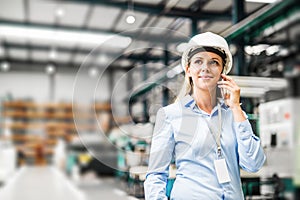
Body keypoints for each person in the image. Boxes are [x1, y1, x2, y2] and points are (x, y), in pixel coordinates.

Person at [144, 32, 266, 199]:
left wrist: (236, 108)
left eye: (214, 62)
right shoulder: (170, 115)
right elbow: (155, 176)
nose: (205, 68)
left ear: (222, 71)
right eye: (198, 61)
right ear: (188, 69)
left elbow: (254, 164)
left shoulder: (234, 115)